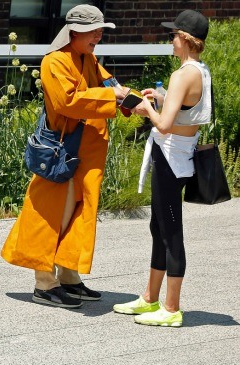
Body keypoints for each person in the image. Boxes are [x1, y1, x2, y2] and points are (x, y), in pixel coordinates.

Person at [0, 5, 130, 309]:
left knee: (78, 214)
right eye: (94, 31)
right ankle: (44, 284)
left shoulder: (88, 58)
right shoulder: (54, 62)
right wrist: (115, 97)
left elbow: (111, 86)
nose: (99, 35)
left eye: (101, 30)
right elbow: (68, 102)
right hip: (61, 150)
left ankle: (69, 278)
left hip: (84, 152)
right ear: (74, 32)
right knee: (51, 215)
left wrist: (134, 98)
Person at [113, 10, 211, 327]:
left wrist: (144, 108)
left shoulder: (182, 74)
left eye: (173, 35)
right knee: (159, 228)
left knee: (170, 232)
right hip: (180, 155)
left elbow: (165, 125)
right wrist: (163, 98)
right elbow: (187, 110)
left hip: (170, 157)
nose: (170, 40)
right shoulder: (199, 71)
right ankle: (150, 298)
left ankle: (171, 308)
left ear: (184, 39)